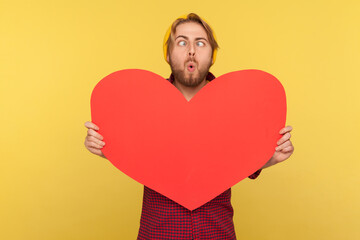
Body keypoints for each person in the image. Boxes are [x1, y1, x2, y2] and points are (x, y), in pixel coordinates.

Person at [84, 13, 294, 240]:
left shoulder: (235, 107)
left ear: (212, 55)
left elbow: (238, 161)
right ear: (167, 53)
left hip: (217, 233)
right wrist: (105, 146)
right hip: (158, 233)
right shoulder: (143, 106)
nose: (191, 50)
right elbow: (133, 152)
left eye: (200, 43)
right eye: (182, 42)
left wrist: (269, 157)